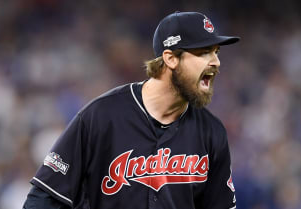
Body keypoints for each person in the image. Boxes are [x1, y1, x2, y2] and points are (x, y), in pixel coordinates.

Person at [23, 11, 240, 209]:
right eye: (204, 53)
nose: (216, 62)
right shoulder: (101, 117)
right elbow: (43, 200)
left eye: (216, 52)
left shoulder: (211, 132)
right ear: (171, 59)